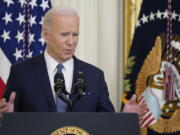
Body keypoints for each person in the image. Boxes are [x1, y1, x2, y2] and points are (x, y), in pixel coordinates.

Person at [0, 7, 146, 118]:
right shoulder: (21, 73)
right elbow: (9, 123)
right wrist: (8, 117)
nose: (71, 41)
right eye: (64, 34)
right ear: (46, 35)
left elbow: (106, 124)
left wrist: (125, 118)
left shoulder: (94, 76)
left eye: (75, 34)